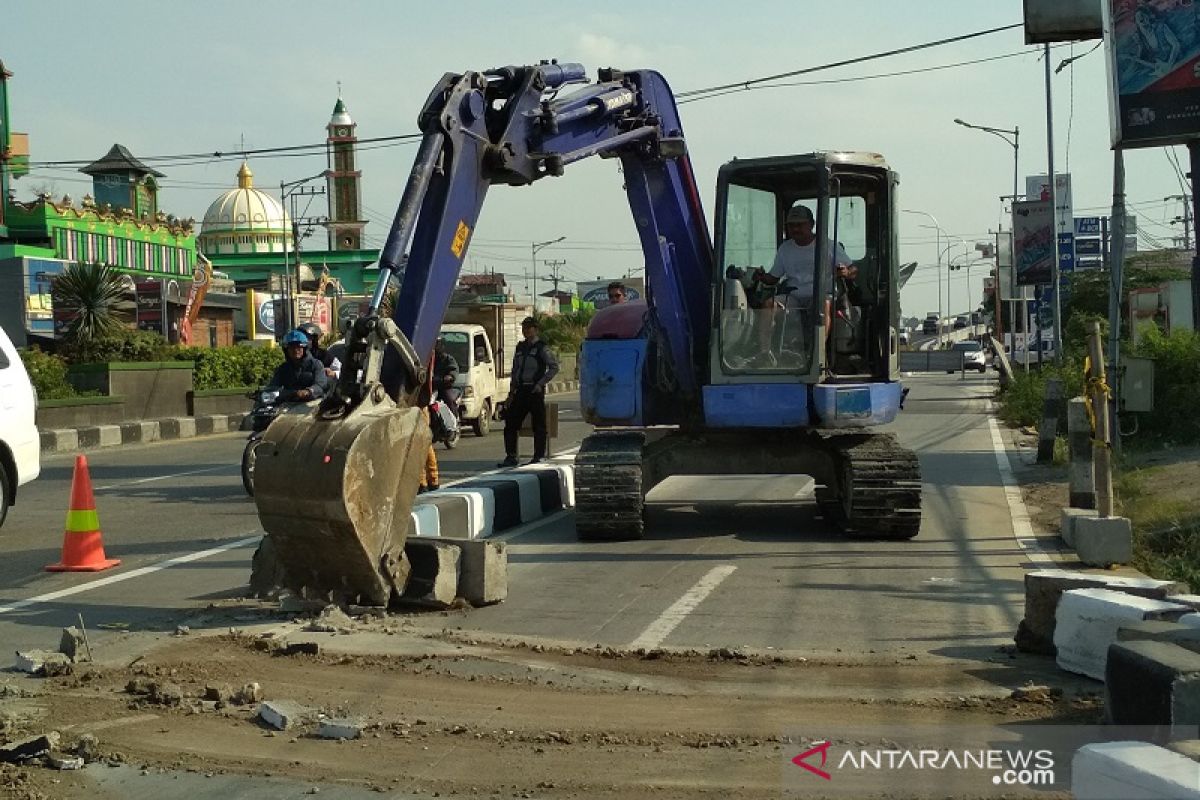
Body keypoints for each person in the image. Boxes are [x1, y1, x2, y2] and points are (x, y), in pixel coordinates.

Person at [750, 204, 859, 359]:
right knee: (769, 305)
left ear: (812, 225)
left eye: (800, 225)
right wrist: (761, 276)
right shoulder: (785, 249)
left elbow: (853, 269)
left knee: (822, 304)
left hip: (823, 294)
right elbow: (773, 278)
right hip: (793, 297)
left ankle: (817, 355)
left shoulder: (828, 245)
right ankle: (764, 353)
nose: (795, 229)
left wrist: (846, 272)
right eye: (792, 225)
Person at [497, 316, 559, 467]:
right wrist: (511, 391)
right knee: (511, 423)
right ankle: (511, 456)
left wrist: (540, 384)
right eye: (524, 328)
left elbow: (554, 367)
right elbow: (515, 369)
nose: (526, 331)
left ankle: (539, 456)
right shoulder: (520, 347)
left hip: (535, 390)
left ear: (535, 329)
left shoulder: (542, 348)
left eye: (529, 328)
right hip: (520, 390)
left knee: (539, 425)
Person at [266, 329, 332, 402]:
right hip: (288, 403)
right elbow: (273, 387)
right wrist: (264, 392)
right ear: (286, 350)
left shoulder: (316, 364)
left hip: (311, 404)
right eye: (291, 347)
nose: (295, 350)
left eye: (299, 347)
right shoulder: (283, 368)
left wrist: (308, 391)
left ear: (305, 348)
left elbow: (320, 385)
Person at [432, 336, 460, 407]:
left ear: (442, 346)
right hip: (430, 387)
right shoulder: (428, 358)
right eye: (434, 344)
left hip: (444, 387)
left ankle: (453, 417)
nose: (436, 347)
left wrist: (450, 376)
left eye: (437, 344)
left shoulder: (448, 359)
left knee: (449, 399)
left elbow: (454, 369)